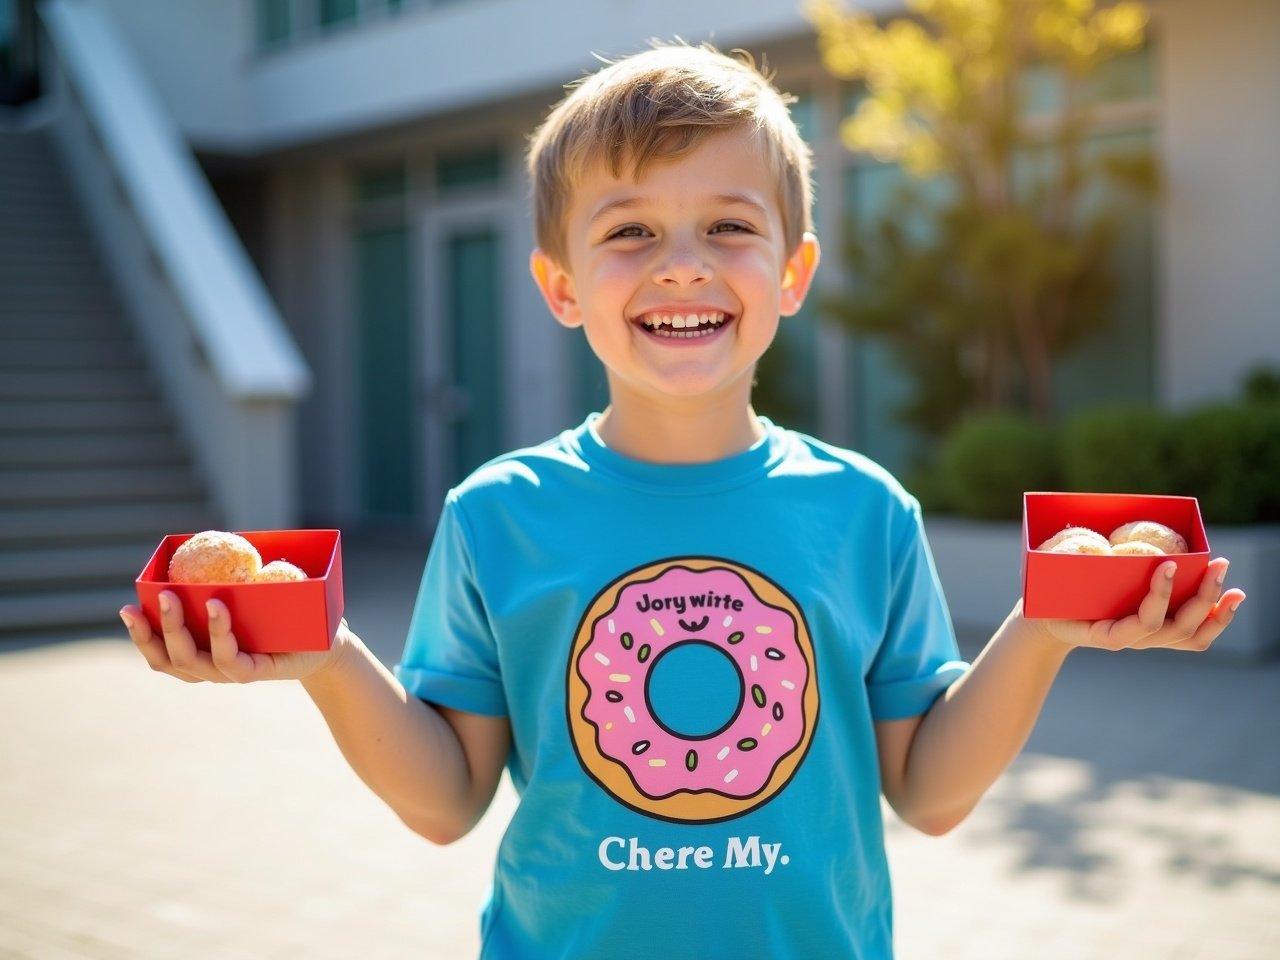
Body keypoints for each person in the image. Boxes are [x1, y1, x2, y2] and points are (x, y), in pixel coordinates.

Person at [119, 42, 1246, 960]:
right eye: (628, 233)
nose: (682, 264)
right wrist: (318, 658)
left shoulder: (864, 511)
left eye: (728, 226)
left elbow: (927, 794)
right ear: (560, 287)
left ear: (791, 274)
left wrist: (1044, 630)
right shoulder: (494, 513)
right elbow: (447, 799)